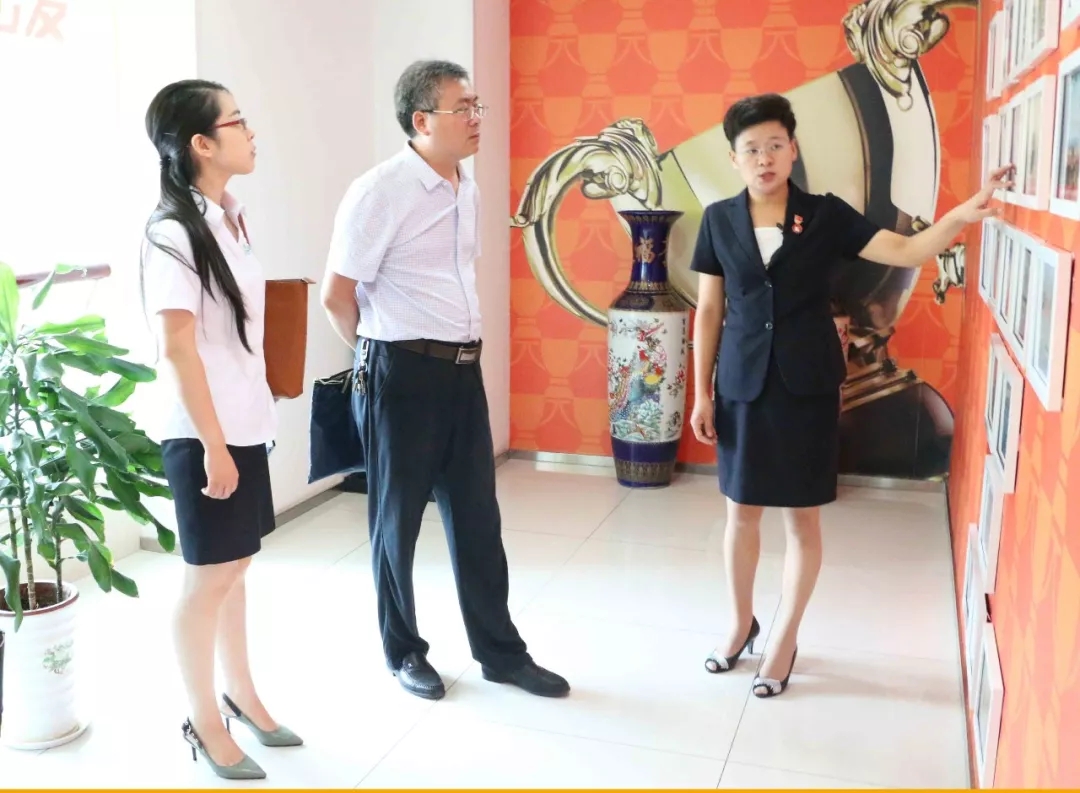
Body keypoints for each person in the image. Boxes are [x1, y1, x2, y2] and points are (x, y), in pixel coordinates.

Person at [688, 93, 1012, 698]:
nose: (764, 158)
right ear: (734, 159)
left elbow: (905, 250)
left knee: (801, 518)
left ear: (793, 150)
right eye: (751, 149)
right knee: (740, 513)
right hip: (741, 384)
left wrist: (964, 213)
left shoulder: (826, 215)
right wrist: (701, 393)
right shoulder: (718, 220)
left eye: (775, 145)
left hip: (806, 384)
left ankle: (784, 637)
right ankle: (739, 623)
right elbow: (709, 310)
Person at [320, 60, 569, 701]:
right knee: (395, 524)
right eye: (465, 109)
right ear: (422, 120)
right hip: (400, 373)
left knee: (478, 519)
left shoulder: (466, 186)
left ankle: (501, 654)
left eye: (478, 106)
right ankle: (404, 652)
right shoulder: (379, 191)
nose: (477, 118)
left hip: (462, 371)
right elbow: (336, 295)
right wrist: (376, 356)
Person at [141, 79, 302, 780]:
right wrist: (212, 445)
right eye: (237, 121)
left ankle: (242, 695)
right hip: (203, 431)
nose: (250, 131)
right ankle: (204, 721)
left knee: (236, 567)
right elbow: (177, 347)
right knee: (207, 578)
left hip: (243, 420)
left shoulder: (229, 218)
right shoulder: (172, 232)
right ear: (201, 144)